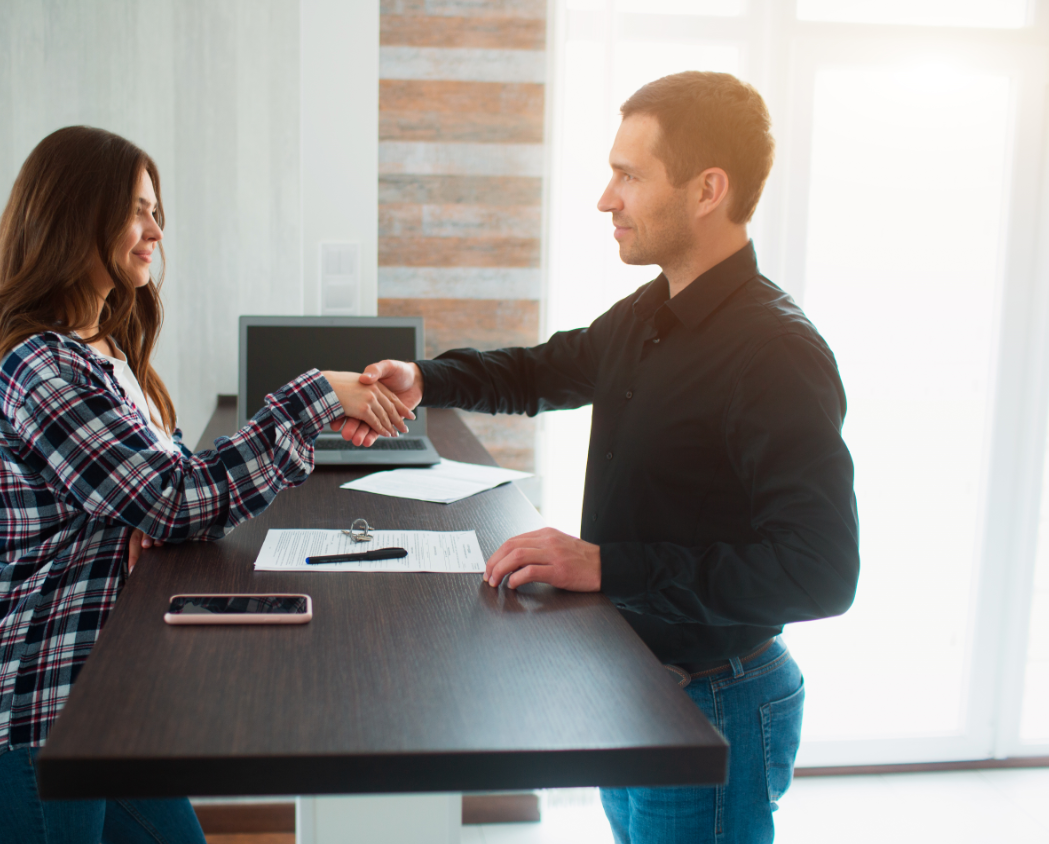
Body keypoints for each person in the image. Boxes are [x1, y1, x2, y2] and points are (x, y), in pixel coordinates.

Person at [333, 72, 859, 843]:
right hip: (640, 681)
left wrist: (608, 565)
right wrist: (424, 380)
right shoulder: (654, 310)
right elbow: (545, 370)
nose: (606, 198)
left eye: (630, 175)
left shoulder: (776, 353)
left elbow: (820, 571)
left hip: (717, 700)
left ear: (708, 189)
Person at [0, 125, 412, 843]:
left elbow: (166, 491)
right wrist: (314, 394)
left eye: (157, 211)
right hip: (33, 709)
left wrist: (157, 511)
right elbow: (178, 495)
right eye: (137, 209)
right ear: (75, 215)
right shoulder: (40, 369)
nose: (155, 229)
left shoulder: (102, 351)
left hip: (96, 704)